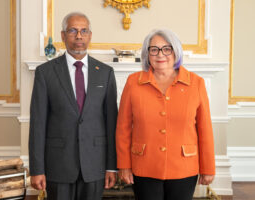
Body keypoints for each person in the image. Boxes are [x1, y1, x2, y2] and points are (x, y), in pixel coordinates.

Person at [116, 28, 215, 200]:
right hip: (144, 166)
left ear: (176, 51)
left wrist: (208, 168)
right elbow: (123, 128)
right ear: (147, 54)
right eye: (154, 49)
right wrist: (124, 165)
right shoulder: (133, 82)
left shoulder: (196, 84)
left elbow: (205, 129)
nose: (160, 54)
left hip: (184, 167)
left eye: (166, 49)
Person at [29, 12, 118, 200]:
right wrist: (37, 169)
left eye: (84, 31)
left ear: (90, 36)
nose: (79, 36)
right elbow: (37, 125)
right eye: (73, 31)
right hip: (58, 166)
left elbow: (112, 124)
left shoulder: (105, 73)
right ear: (63, 35)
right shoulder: (45, 73)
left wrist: (112, 166)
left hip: (95, 165)